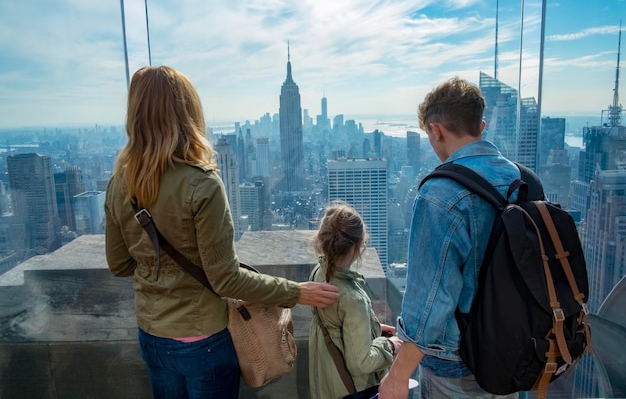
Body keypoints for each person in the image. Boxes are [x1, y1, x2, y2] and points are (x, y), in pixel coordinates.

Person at [104, 65, 340, 399]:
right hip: (202, 341)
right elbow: (225, 280)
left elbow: (119, 264)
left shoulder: (119, 182)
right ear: (188, 112)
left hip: (152, 337)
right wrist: (296, 292)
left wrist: (156, 266)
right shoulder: (201, 183)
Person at [378, 77, 528, 399]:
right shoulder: (521, 179)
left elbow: (431, 300)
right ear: (481, 126)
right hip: (513, 352)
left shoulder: (441, 194)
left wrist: (398, 374)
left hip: (456, 363)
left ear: (436, 130)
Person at [309, 202, 402, 399]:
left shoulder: (319, 272)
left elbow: (337, 329)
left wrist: (372, 327)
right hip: (351, 390)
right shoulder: (352, 297)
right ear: (359, 244)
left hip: (326, 381)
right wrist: (391, 345)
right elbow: (361, 363)